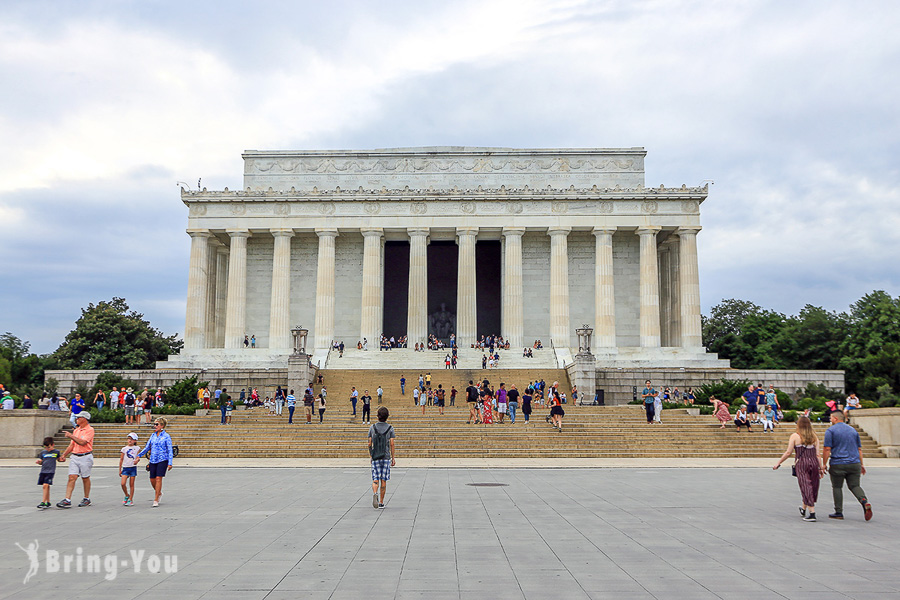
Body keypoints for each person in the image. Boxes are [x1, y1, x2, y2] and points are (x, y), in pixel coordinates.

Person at [773, 415, 824, 522]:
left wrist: (779, 462)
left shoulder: (795, 436)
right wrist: (821, 468)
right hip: (814, 462)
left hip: (801, 463)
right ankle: (804, 507)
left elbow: (788, 452)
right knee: (813, 485)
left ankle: (812, 512)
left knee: (805, 485)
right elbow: (818, 454)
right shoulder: (814, 436)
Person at [823, 411, 872, 521]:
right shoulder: (853, 431)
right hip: (854, 463)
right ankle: (864, 501)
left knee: (837, 487)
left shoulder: (831, 431)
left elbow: (827, 449)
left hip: (838, 463)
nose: (830, 420)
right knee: (855, 486)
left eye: (831, 418)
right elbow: (859, 449)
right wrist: (862, 464)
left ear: (835, 418)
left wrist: (823, 464)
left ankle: (838, 512)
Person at [57, 411, 95, 508]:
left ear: (84, 419)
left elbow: (82, 442)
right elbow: (72, 445)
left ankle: (86, 498)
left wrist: (71, 436)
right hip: (75, 456)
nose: (77, 419)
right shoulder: (76, 430)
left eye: (79, 417)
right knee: (72, 477)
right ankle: (67, 499)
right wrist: (64, 455)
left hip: (85, 456)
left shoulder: (90, 430)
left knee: (85, 477)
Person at [138, 418, 174, 508]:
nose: (155, 426)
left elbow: (170, 450)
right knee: (152, 479)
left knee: (158, 478)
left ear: (162, 426)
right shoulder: (153, 436)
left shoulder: (166, 436)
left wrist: (170, 462)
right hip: (153, 459)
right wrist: (139, 455)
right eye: (154, 424)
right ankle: (159, 492)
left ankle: (156, 498)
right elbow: (147, 447)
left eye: (157, 424)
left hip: (162, 459)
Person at [368, 406, 396, 509]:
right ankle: (381, 502)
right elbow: (392, 443)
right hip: (385, 457)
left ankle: (375, 492)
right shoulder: (390, 428)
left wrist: (371, 454)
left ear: (378, 416)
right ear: (387, 416)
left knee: (375, 479)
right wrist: (393, 458)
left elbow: (369, 443)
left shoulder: (372, 427)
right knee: (383, 480)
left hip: (375, 456)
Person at [35, 436, 63, 509]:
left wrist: (62, 459)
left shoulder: (56, 452)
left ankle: (43, 502)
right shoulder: (43, 452)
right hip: (43, 470)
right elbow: (42, 461)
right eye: (45, 447)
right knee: (46, 486)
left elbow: (58, 459)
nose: (47, 449)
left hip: (50, 471)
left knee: (45, 485)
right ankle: (48, 501)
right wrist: (39, 462)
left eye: (48, 447)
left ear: (52, 445)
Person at [119, 432, 140, 507]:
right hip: (125, 467)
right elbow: (121, 459)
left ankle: (131, 499)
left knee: (131, 484)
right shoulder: (124, 449)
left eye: (132, 439)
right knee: (123, 483)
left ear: (135, 441)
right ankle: (126, 494)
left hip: (132, 468)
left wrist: (137, 460)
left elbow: (138, 456)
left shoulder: (137, 448)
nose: (130, 440)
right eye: (129, 439)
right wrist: (120, 469)